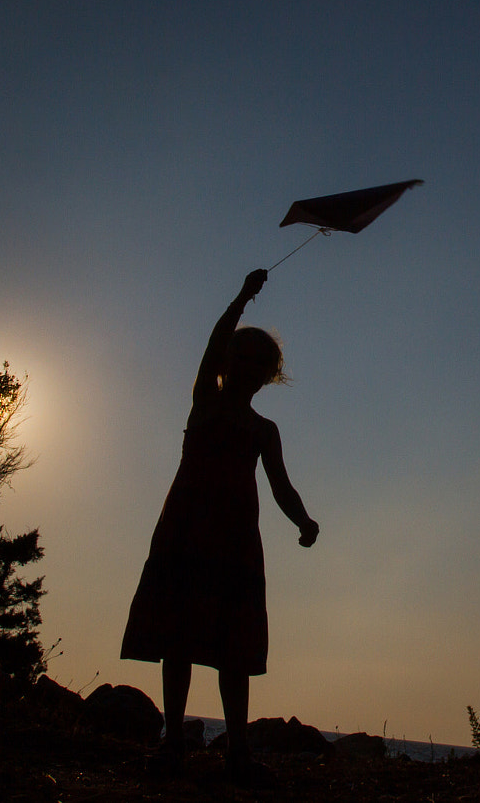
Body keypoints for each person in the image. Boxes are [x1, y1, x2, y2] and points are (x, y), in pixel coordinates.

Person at [121, 269, 319, 786]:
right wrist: (242, 298)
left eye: (262, 363)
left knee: (234, 649)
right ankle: (173, 746)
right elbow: (211, 344)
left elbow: (281, 486)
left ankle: (237, 752)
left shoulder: (263, 430)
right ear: (229, 362)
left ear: (269, 375)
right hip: (186, 531)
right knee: (178, 640)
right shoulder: (204, 400)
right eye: (243, 357)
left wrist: (304, 521)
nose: (251, 367)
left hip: (234, 542)